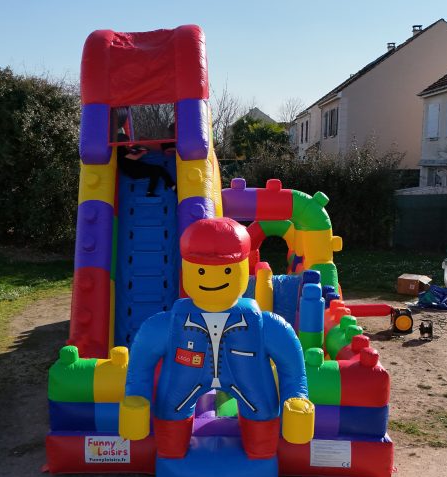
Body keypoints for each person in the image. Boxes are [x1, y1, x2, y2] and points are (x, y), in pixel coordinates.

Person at [118, 218, 315, 459]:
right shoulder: (170, 324)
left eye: (227, 270)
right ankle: (174, 461)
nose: (212, 278)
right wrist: (136, 396)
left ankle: (258, 462)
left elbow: (292, 367)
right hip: (182, 386)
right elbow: (141, 365)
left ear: (242, 268)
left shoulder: (262, 324)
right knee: (170, 448)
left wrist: (296, 396)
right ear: (187, 269)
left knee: (262, 447)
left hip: (251, 386)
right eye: (201, 270)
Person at [115, 132, 175, 197]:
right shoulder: (120, 150)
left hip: (135, 167)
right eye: (127, 142)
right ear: (122, 141)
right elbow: (134, 158)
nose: (128, 144)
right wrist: (143, 152)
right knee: (156, 170)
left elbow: (131, 156)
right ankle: (150, 192)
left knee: (159, 169)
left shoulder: (122, 149)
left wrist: (139, 150)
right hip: (133, 170)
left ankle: (172, 186)